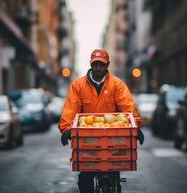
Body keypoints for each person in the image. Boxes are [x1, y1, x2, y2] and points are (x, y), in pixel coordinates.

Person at [58, 48, 144, 193]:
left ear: (108, 65)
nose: (98, 68)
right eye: (95, 64)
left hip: (113, 140)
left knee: (114, 171)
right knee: (85, 180)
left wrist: (135, 126)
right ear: (90, 64)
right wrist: (66, 128)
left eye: (101, 64)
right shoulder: (78, 86)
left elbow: (128, 107)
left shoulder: (117, 85)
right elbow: (70, 108)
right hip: (88, 141)